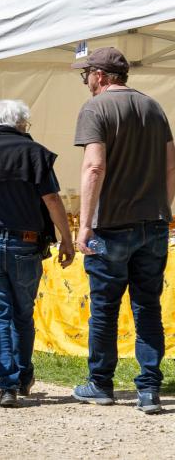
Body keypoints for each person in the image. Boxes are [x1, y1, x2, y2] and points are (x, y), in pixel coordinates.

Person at [70, 47, 175, 414]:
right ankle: (149, 389)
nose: (85, 80)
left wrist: (83, 225)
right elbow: (170, 168)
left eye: (86, 74)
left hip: (110, 226)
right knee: (147, 306)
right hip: (154, 224)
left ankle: (100, 384)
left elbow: (94, 167)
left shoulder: (95, 108)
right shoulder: (153, 107)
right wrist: (162, 210)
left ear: (100, 75)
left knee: (105, 308)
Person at [0, 99, 74, 408]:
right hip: (25, 243)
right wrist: (67, 238)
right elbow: (51, 198)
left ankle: (7, 385)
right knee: (23, 313)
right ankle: (23, 376)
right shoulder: (34, 153)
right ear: (21, 125)